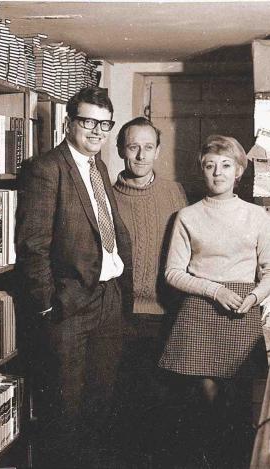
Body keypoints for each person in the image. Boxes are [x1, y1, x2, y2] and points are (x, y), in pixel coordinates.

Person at [15, 86, 133, 468]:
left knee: (99, 406)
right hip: (70, 306)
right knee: (64, 413)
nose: (97, 131)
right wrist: (49, 305)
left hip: (108, 300)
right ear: (69, 123)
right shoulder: (46, 169)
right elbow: (33, 246)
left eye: (105, 124)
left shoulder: (99, 167)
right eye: (88, 122)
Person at [158, 134, 270, 466]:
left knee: (240, 403)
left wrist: (254, 296)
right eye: (210, 166)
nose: (218, 173)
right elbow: (173, 273)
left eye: (226, 165)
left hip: (242, 313)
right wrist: (214, 290)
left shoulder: (256, 216)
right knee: (207, 403)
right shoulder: (187, 216)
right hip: (200, 312)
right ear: (202, 170)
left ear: (238, 170)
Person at [110, 117, 188, 465]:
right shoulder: (105, 198)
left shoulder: (175, 193)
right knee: (123, 406)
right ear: (121, 151)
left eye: (148, 147)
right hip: (119, 319)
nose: (140, 155)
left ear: (158, 151)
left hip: (167, 316)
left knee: (164, 407)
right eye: (132, 146)